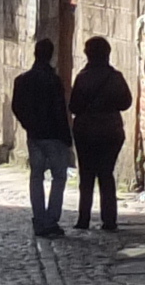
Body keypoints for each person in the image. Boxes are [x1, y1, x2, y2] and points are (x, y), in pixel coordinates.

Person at [69, 35, 136, 233]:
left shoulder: (83, 78)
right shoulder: (115, 77)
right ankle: (109, 220)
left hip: (86, 131)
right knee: (106, 175)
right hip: (110, 131)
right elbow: (126, 103)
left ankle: (84, 218)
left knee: (86, 175)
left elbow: (74, 106)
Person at [9, 40, 75, 237]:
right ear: (51, 55)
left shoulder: (23, 80)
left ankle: (39, 218)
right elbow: (60, 110)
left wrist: (29, 125)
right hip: (54, 135)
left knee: (36, 177)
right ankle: (51, 218)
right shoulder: (53, 80)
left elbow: (17, 107)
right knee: (59, 176)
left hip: (35, 135)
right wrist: (67, 136)